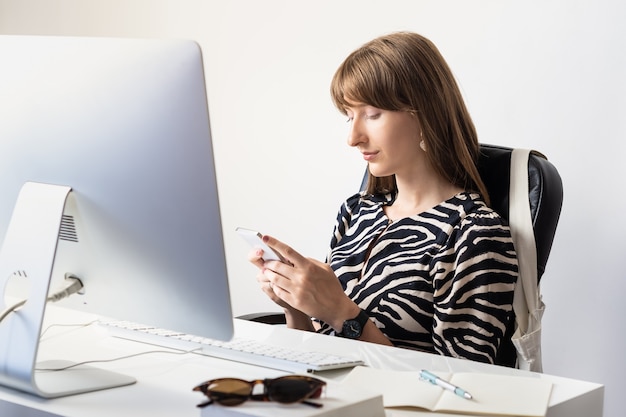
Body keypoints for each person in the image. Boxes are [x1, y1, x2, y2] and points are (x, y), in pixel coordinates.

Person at [248, 31, 518, 364]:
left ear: (425, 114)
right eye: (349, 116)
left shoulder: (473, 234)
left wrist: (341, 312)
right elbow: (325, 351)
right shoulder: (356, 212)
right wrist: (297, 305)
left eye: (372, 114)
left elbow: (465, 386)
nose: (353, 137)